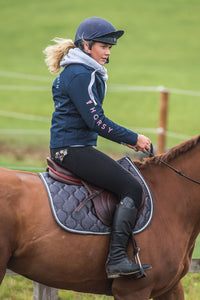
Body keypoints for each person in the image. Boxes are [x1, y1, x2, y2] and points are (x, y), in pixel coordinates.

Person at [44, 17, 152, 279]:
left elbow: (90, 120)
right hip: (73, 149)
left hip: (72, 146)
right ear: (87, 45)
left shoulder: (78, 71)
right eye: (104, 46)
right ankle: (116, 259)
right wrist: (133, 137)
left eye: (110, 48)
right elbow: (96, 120)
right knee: (131, 187)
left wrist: (124, 139)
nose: (107, 52)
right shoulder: (81, 74)